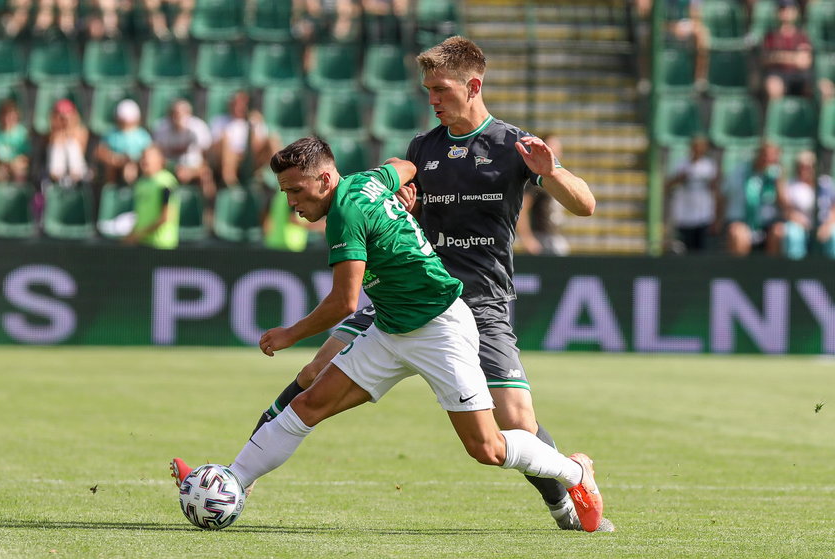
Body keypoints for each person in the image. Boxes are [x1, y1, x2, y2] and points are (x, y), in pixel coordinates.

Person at [185, 36, 611, 532]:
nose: (431, 100)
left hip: (474, 299)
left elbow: (585, 205)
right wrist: (402, 203)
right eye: (427, 90)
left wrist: (551, 171)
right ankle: (233, 481)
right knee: (314, 377)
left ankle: (566, 496)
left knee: (512, 424)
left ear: (473, 86)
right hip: (401, 296)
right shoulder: (424, 147)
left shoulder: (513, 145)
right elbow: (399, 176)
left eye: (440, 90)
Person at [725, 142, 784, 256]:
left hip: (768, 223)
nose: (767, 159)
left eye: (772, 156)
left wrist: (778, 182)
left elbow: (784, 204)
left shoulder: (776, 175)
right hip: (743, 220)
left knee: (779, 232)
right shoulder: (740, 171)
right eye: (765, 155)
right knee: (739, 234)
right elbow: (724, 195)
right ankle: (740, 272)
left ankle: (772, 272)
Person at [663, 135, 720, 252]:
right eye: (695, 147)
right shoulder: (680, 164)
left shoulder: (709, 166)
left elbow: (716, 191)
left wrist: (716, 216)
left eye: (701, 147)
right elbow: (667, 186)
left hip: (704, 216)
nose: (698, 150)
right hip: (684, 216)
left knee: (701, 251)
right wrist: (679, 178)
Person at [515, 134, 570, 255]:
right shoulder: (537, 179)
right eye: (552, 148)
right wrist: (527, 238)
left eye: (557, 149)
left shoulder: (559, 177)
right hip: (541, 237)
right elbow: (522, 209)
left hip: (555, 236)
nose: (555, 152)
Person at [209, 90, 275, 188]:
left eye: (242, 104)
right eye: (235, 104)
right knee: (225, 141)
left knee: (273, 139)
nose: (238, 107)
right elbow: (213, 147)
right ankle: (229, 180)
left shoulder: (253, 121)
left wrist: (254, 127)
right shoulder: (219, 121)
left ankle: (275, 175)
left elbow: (261, 143)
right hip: (228, 158)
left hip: (250, 157)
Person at [152, 98, 214, 200]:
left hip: (194, 167)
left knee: (206, 176)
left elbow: (207, 158)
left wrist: (192, 172)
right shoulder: (161, 129)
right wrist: (173, 168)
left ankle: (208, 211)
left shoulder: (199, 128)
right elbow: (157, 156)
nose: (177, 117)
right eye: (174, 114)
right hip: (169, 167)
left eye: (181, 114)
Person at [778, 150, 835, 259]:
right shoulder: (791, 185)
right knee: (793, 234)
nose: (804, 170)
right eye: (801, 166)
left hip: (825, 225)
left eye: (808, 167)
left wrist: (827, 226)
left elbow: (834, 208)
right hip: (799, 224)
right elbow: (786, 210)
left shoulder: (826, 183)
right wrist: (805, 224)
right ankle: (795, 270)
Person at [123, 145, 179, 249]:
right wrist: (132, 234)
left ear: (160, 160)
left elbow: (166, 217)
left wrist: (139, 234)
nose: (144, 160)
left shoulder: (166, 182)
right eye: (142, 157)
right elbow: (139, 214)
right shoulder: (140, 183)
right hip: (142, 243)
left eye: (148, 157)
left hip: (162, 245)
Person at [761, 0, 813, 102]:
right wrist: (794, 58)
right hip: (778, 74)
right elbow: (765, 59)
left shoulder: (802, 36)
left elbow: (805, 62)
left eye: (790, 9)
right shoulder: (771, 36)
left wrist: (778, 56)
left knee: (809, 87)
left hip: (799, 75)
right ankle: (776, 117)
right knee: (774, 87)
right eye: (783, 9)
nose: (786, 12)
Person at [95, 99, 153, 185]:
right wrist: (114, 159)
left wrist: (136, 160)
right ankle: (110, 190)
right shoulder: (111, 133)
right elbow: (99, 152)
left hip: (137, 165)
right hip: (115, 167)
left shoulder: (143, 135)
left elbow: (150, 153)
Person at [40, 98, 89, 187]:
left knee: (71, 144)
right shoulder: (51, 133)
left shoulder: (81, 131)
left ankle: (73, 177)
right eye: (61, 117)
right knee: (57, 144)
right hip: (54, 174)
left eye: (66, 117)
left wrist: (68, 126)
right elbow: (51, 140)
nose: (64, 120)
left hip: (77, 173)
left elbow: (81, 150)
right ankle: (58, 177)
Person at [0, 99, 30, 183]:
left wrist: (13, 164)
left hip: (17, 167)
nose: (8, 119)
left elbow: (27, 157)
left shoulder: (22, 133)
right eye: (5, 115)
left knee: (19, 173)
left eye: (11, 115)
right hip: (0, 167)